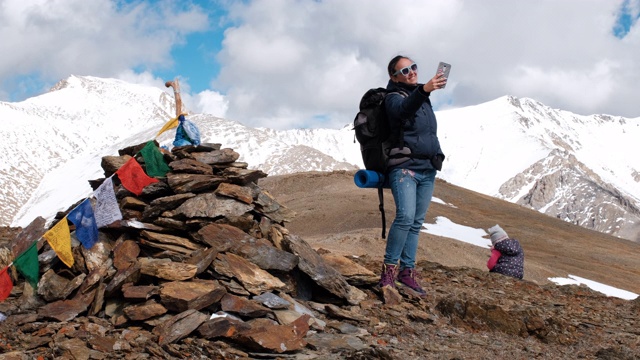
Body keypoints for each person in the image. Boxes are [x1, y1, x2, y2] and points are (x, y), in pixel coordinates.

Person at [378, 55, 447, 296]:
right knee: (405, 218)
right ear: (393, 77)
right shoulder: (393, 98)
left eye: (413, 67)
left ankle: (407, 272)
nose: (411, 73)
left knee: (416, 223)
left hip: (427, 168)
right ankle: (388, 272)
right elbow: (401, 112)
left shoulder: (421, 97)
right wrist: (425, 90)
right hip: (405, 168)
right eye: (404, 70)